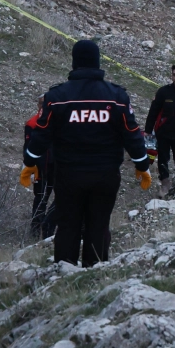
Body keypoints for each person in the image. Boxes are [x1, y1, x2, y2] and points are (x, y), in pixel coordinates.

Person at [21, 39, 153, 266]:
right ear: (97, 61)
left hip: (69, 175)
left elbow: (41, 133)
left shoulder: (57, 97)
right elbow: (131, 133)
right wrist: (142, 164)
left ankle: (65, 276)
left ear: (74, 63)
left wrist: (30, 160)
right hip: (105, 175)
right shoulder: (117, 97)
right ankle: (95, 276)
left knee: (68, 226)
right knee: (98, 226)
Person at [23, 96, 57, 239]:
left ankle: (48, 225)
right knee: (40, 198)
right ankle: (36, 232)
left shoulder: (59, 122)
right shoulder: (32, 123)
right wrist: (27, 167)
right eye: (41, 104)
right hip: (40, 167)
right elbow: (27, 147)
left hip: (57, 166)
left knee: (61, 196)